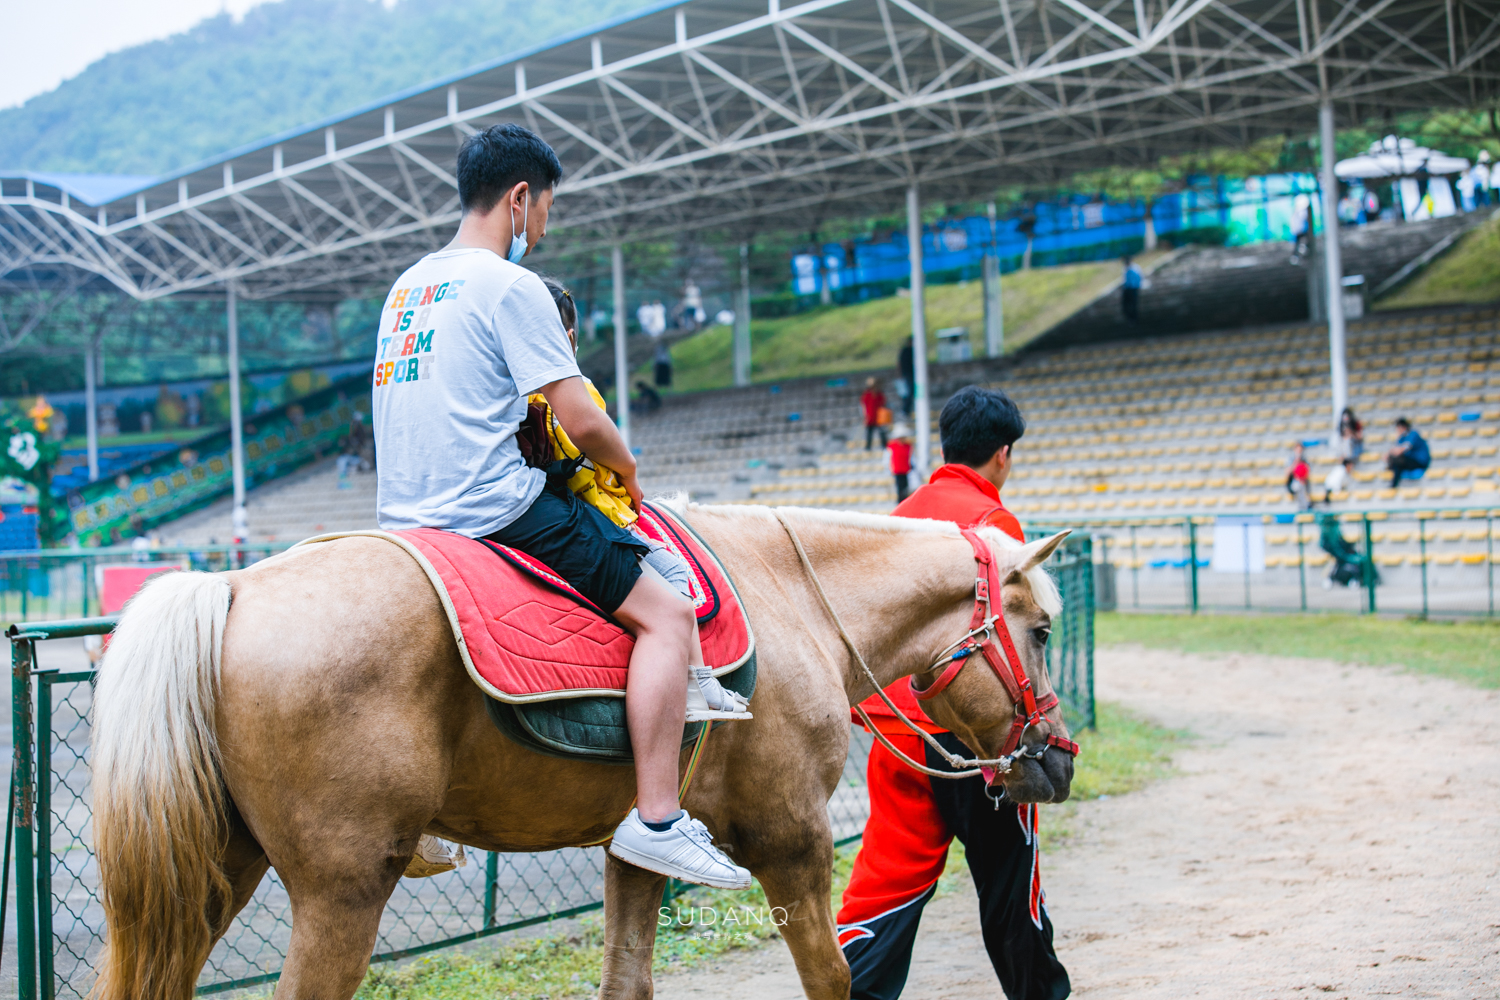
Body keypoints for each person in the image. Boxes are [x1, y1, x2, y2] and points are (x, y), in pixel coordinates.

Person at [370, 122, 750, 890]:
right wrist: (630, 468)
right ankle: (658, 818)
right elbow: (578, 419)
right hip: (492, 509)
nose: (541, 231)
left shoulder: (407, 285)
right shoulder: (509, 287)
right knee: (670, 613)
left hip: (401, 518)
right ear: (518, 198)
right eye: (544, 211)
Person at [838, 385, 1070, 1000]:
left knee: (885, 884)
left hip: (904, 740)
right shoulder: (996, 527)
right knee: (1008, 883)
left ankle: (851, 990)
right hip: (979, 740)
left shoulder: (892, 523)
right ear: (1003, 454)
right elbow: (1009, 643)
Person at [534, 275, 751, 725]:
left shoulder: (519, 395)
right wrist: (629, 473)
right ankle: (699, 681)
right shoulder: (571, 393)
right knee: (672, 570)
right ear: (569, 339)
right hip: (586, 513)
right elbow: (592, 445)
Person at [1323, 407, 1364, 503]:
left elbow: (1360, 437)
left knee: (1348, 442)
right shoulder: (1341, 427)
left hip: (1355, 446)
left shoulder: (1355, 424)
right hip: (1344, 452)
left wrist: (1351, 433)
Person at [1386, 417, 1430, 487]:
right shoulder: (1402, 438)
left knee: (1397, 461)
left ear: (1402, 427)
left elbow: (1402, 449)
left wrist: (1391, 453)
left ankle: (1393, 485)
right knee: (1395, 462)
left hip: (1419, 461)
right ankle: (1393, 483)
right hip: (1409, 461)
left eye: (1398, 428)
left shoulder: (1413, 434)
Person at [887, 424, 913, 503]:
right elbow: (888, 458)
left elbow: (911, 458)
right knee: (899, 489)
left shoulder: (908, 446)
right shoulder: (892, 446)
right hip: (897, 471)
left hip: (906, 470)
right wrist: (889, 469)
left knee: (906, 488)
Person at [861, 377, 888, 451]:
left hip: (879, 417)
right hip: (870, 417)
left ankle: (884, 446)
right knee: (869, 433)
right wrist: (865, 416)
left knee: (882, 433)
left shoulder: (880, 394)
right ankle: (868, 447)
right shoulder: (867, 394)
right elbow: (863, 406)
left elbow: (884, 404)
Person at [1285, 443, 1311, 511]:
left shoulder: (1304, 460)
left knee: (1301, 485)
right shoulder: (1291, 459)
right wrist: (1295, 463)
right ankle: (1301, 506)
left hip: (1303, 482)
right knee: (1298, 485)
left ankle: (1304, 506)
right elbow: (1287, 473)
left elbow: (1308, 471)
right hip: (1293, 482)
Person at [896, 337, 915, 416]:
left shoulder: (914, 350)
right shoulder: (906, 351)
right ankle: (905, 410)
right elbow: (900, 363)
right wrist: (900, 374)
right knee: (907, 393)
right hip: (907, 374)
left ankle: (907, 410)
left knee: (910, 392)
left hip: (912, 374)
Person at [1120, 255, 1142, 323]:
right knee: (1125, 304)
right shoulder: (1125, 268)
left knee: (1133, 304)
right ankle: (1129, 318)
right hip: (1127, 289)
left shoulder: (1135, 268)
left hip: (1133, 289)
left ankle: (1134, 319)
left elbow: (1139, 278)